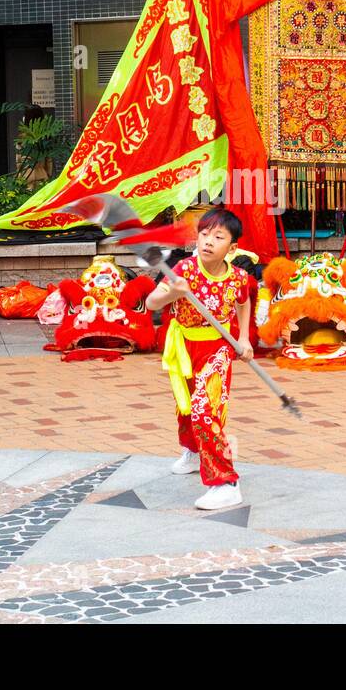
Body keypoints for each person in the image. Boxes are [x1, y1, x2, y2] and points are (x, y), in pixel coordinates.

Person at [147, 207, 253, 512]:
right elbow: (153, 301)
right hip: (184, 346)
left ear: (232, 248)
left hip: (217, 350)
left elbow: (243, 302)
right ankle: (193, 453)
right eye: (204, 234)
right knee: (186, 407)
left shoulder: (238, 278)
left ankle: (225, 483)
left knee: (205, 409)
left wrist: (243, 338)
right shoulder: (184, 270)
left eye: (218, 236)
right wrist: (172, 293)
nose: (208, 241)